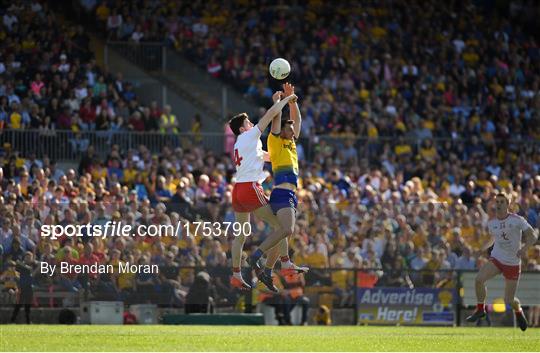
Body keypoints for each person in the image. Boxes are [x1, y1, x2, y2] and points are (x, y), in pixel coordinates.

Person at [228, 91, 299, 291]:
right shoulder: (249, 135)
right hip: (250, 187)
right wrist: (285, 100)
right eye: (249, 122)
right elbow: (269, 115)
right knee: (281, 227)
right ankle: (284, 262)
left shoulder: (242, 144)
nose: (252, 124)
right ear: (243, 128)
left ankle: (235, 274)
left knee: (240, 236)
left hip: (238, 190)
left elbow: (269, 157)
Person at [249, 83, 308, 285]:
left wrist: (292, 100)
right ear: (282, 130)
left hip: (289, 194)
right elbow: (276, 119)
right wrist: (278, 103)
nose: (292, 129)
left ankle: (267, 270)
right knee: (287, 230)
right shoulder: (275, 142)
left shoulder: (290, 143)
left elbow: (297, 119)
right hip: (282, 194)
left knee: (283, 234)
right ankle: (256, 255)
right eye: (289, 127)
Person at [465, 193, 538, 331]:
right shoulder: (492, 222)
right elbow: (493, 238)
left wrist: (524, 249)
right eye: (497, 201)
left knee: (509, 300)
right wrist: (481, 250)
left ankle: (518, 311)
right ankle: (480, 309)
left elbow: (533, 236)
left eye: (502, 202)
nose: (498, 204)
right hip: (497, 258)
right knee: (479, 280)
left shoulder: (517, 220)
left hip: (512, 262)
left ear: (508, 204)